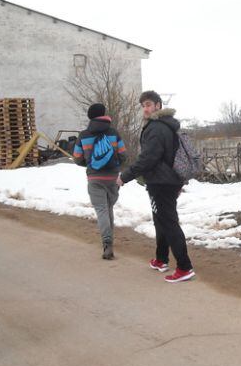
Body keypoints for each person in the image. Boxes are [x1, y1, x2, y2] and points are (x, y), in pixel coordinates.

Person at [118, 91, 195, 283]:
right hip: (170, 179)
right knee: (160, 219)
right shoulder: (168, 125)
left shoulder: (156, 128)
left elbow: (148, 159)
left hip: (161, 182)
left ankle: (185, 267)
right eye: (143, 105)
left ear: (158, 105)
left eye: (149, 104)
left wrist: (124, 177)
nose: (145, 108)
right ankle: (161, 259)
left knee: (168, 222)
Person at [73, 103, 127, 260]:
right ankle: (110, 240)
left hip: (94, 177)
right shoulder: (113, 133)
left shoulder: (84, 135)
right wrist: (114, 164)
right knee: (108, 207)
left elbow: (77, 158)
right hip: (112, 177)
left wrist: (91, 163)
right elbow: (123, 155)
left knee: (102, 209)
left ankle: (107, 243)